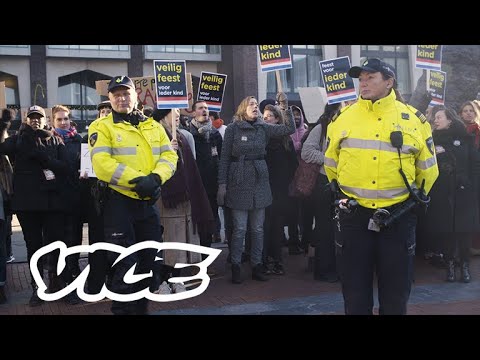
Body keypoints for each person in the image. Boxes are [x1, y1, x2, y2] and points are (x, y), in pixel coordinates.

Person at [324, 58, 439, 315]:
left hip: (398, 218)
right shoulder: (343, 117)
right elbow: (331, 164)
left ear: (389, 82)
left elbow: (429, 171)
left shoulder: (415, 121)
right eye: (361, 78)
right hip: (354, 217)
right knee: (354, 294)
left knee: (396, 295)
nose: (363, 83)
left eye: (370, 77)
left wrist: (408, 203)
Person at [88, 75, 178, 315]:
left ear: (135, 96)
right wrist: (138, 182)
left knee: (150, 263)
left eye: (126, 93)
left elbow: (170, 157)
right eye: (116, 94)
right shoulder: (101, 126)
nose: (121, 98)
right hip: (118, 204)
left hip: (147, 204)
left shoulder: (153, 125)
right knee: (123, 267)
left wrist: (156, 178)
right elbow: (102, 164)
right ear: (109, 98)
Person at [217, 94, 295, 284]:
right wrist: (222, 184)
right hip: (239, 180)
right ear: (243, 108)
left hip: (260, 181)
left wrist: (284, 107)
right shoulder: (233, 129)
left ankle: (257, 265)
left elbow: (288, 128)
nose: (254, 107)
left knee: (258, 228)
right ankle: (236, 265)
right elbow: (225, 157)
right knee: (240, 228)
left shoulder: (263, 127)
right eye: (250, 104)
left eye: (255, 104)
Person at [0, 105, 69, 307]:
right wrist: (4, 125)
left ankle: (56, 280)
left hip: (52, 203)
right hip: (27, 205)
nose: (36, 120)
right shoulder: (18, 140)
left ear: (45, 119)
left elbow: (66, 168)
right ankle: (37, 287)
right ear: (27, 119)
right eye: (32, 117)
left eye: (39, 117)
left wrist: (45, 159)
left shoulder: (56, 139)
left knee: (55, 244)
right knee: (33, 247)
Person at [151, 108, 215, 293]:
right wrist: (165, 152)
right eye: (174, 114)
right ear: (163, 116)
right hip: (165, 198)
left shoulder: (181, 135)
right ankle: (162, 280)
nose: (178, 117)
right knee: (165, 241)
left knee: (180, 240)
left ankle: (177, 278)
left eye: (179, 114)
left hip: (184, 199)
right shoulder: (154, 135)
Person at [424, 105, 480, 282]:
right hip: (442, 194)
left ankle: (464, 266)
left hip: (464, 193)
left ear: (449, 120)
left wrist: (472, 186)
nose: (436, 120)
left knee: (464, 232)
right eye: (435, 118)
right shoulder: (431, 141)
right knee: (446, 231)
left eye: (439, 117)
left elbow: (475, 165)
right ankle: (449, 265)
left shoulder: (465, 139)